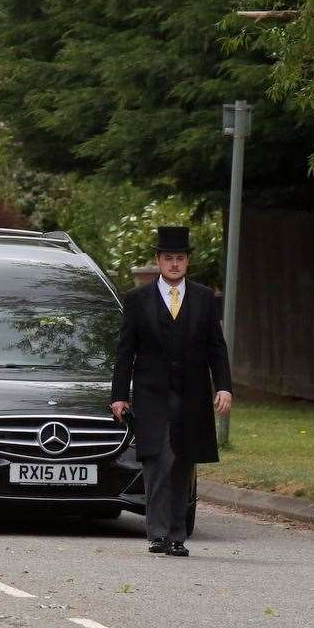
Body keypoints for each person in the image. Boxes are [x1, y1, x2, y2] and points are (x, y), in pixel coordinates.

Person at [110, 226, 233, 557]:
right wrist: (119, 395)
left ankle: (177, 536)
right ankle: (158, 533)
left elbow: (216, 348)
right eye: (169, 258)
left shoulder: (205, 299)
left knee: (183, 462)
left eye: (180, 258)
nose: (174, 264)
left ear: (187, 262)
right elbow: (125, 351)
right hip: (152, 395)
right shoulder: (137, 300)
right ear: (158, 261)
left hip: (191, 396)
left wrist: (224, 386)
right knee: (159, 460)